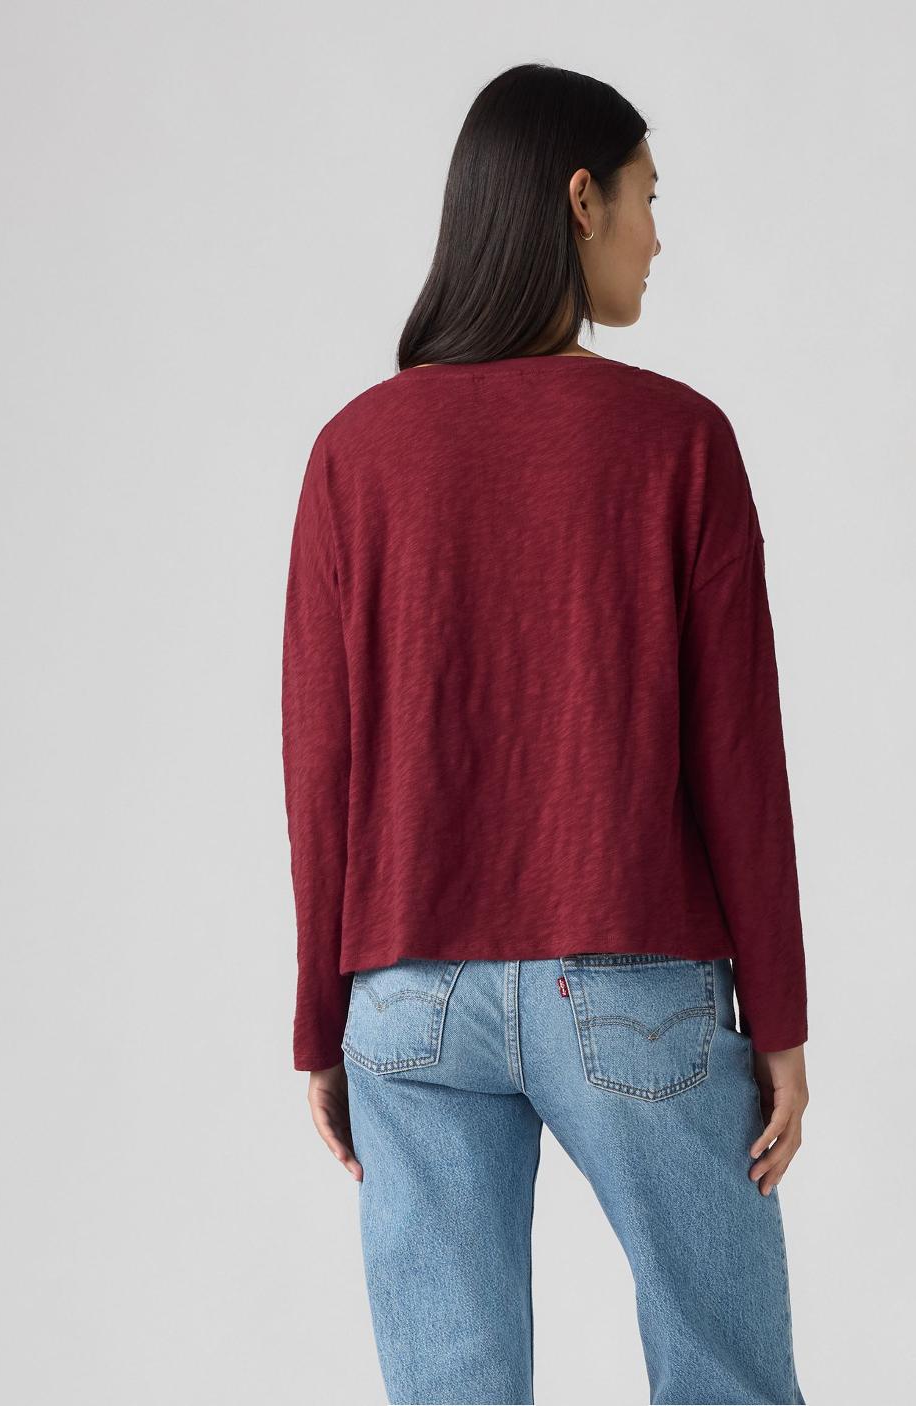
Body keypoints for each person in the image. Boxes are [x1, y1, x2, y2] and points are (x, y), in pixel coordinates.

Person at [281, 62, 809, 1405]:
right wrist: (780, 1016)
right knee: (728, 1380)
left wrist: (320, 1023)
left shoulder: (354, 454)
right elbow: (737, 757)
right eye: (648, 197)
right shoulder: (680, 442)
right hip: (634, 978)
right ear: (582, 200)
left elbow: (320, 766)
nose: (657, 235)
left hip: (405, 993)